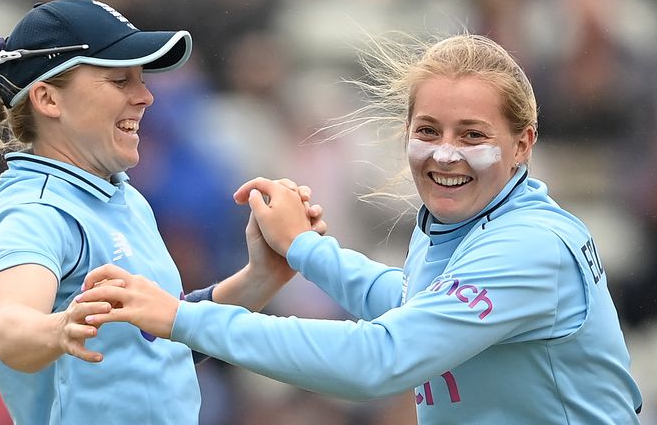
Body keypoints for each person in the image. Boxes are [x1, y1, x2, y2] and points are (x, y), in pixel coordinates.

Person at [76, 33, 643, 424]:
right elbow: (412, 304)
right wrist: (306, 249)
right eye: (429, 129)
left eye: (472, 135)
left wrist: (182, 317)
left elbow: (381, 358)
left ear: (523, 144)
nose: (445, 154)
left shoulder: (530, 247)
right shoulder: (462, 223)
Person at [0, 0, 324, 424]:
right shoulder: (35, 210)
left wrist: (261, 278)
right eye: (120, 79)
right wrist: (59, 328)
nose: (145, 96)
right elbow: (11, 328)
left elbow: (162, 335)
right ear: (48, 99)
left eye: (140, 79)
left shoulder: (120, 195)